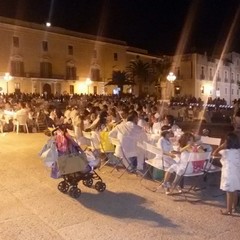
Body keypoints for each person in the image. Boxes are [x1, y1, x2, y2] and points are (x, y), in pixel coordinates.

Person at [212, 132, 240, 215]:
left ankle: (228, 210)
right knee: (235, 191)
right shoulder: (238, 151)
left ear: (227, 142)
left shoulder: (225, 152)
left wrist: (220, 146)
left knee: (229, 192)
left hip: (228, 174)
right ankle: (234, 208)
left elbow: (214, 153)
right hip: (237, 174)